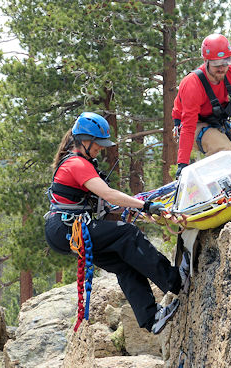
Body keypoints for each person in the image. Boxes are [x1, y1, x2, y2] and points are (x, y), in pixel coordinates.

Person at [44, 112, 190, 334]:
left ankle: (151, 317)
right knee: (128, 234)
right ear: (84, 140)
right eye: (97, 145)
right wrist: (145, 206)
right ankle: (174, 280)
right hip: (67, 228)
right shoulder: (76, 164)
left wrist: (137, 208)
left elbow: (106, 203)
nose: (100, 149)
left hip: (63, 230)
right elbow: (110, 195)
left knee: (123, 263)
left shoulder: (79, 162)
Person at [172, 33, 231, 178]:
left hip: (219, 122)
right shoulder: (192, 84)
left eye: (225, 62)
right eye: (216, 64)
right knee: (226, 152)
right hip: (195, 124)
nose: (221, 68)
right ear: (206, 60)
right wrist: (182, 164)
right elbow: (188, 127)